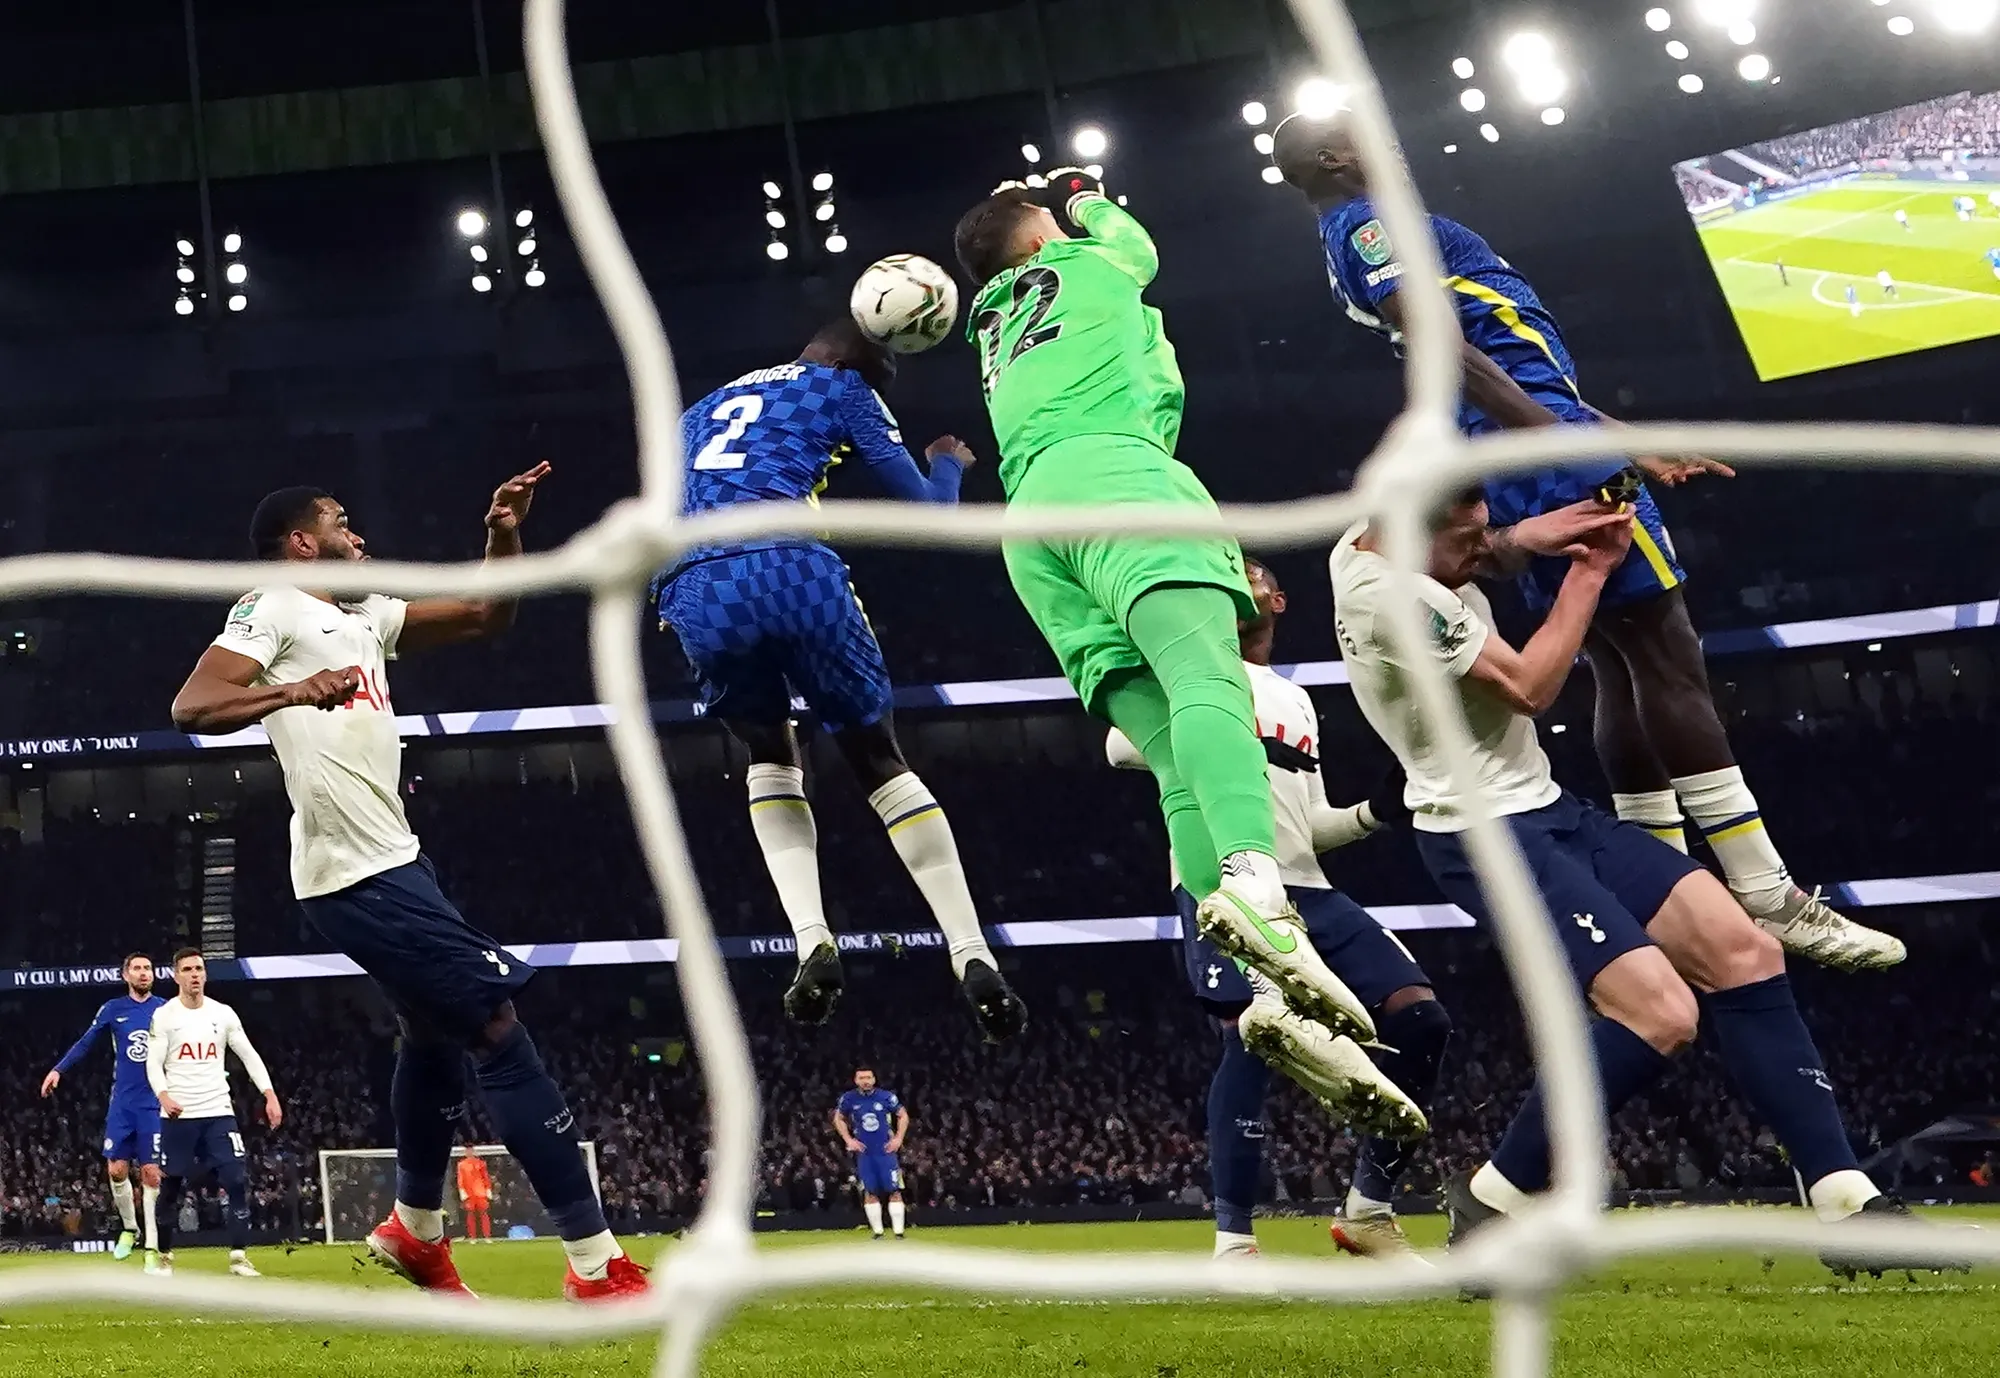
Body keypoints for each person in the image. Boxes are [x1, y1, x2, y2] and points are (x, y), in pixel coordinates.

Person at [1270, 111, 1902, 972]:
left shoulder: (1368, 229)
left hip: (1526, 440)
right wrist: (1570, 454)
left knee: (1619, 661)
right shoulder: (1372, 226)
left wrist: (1618, 438)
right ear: (1338, 158)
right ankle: (1768, 894)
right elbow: (1451, 353)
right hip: (1529, 446)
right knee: (1666, 655)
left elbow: (1519, 366)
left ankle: (1660, 876)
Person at [1329, 491, 1951, 1269]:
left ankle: (1844, 1205)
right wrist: (1588, 571)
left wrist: (1532, 531)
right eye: (1468, 540)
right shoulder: (1391, 598)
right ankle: (1495, 1197)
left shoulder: (1369, 536)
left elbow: (1484, 542)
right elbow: (1530, 687)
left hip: (1550, 808)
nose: (1482, 551)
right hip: (1481, 833)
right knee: (1661, 1013)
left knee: (1745, 952)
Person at [168, 468, 646, 1300]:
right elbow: (193, 703)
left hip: (394, 858)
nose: (358, 534)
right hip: (355, 872)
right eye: (340, 522)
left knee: (432, 1038)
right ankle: (595, 1264)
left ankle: (415, 1232)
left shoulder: (364, 615)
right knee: (497, 1029)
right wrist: (292, 690)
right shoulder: (275, 604)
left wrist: (501, 532)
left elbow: (485, 613)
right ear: (301, 542)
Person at [951, 168, 1374, 1045]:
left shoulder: (992, 318)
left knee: (1176, 758)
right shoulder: (1081, 266)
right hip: (1118, 478)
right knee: (1210, 680)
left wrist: (1024, 212)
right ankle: (1261, 891)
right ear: (1037, 240)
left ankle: (1250, 988)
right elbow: (1136, 250)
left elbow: (1017, 248)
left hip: (1031, 522)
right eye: (1048, 225)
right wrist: (1077, 193)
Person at [653, 320, 1026, 1042]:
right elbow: (928, 515)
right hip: (791, 564)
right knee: (878, 758)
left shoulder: (697, 410)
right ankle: (971, 952)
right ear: (856, 355)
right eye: (888, 361)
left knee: (768, 752)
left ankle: (810, 937)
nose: (887, 372)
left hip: (696, 585)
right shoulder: (843, 387)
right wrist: (946, 463)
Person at [1105, 558, 1441, 1259]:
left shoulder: (1297, 699)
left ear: (1279, 600)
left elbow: (1311, 821)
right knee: (1253, 1043)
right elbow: (1117, 745)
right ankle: (1235, 1244)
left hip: (1310, 889)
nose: (1235, 580)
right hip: (1225, 888)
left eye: (1250, 571)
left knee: (1421, 1018)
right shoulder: (1189, 679)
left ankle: (1369, 1211)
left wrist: (1377, 813)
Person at [145, 949, 280, 1279]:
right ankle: (164, 1256)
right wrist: (163, 1095)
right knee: (172, 1187)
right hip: (179, 1115)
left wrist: (269, 1093)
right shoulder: (165, 1016)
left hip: (219, 1111)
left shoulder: (223, 1014)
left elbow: (248, 1055)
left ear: (205, 974)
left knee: (235, 1180)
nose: (195, 974)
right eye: (188, 969)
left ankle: (238, 1257)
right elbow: (153, 1062)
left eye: (199, 969)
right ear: (176, 976)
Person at [41, 953, 167, 1264]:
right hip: (123, 1103)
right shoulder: (114, 1009)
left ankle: (152, 1248)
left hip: (153, 1103)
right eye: (137, 968)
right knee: (116, 1170)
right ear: (126, 975)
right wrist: (59, 1069)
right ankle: (130, 1229)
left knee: (151, 1174)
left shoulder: (166, 1009)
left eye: (147, 968)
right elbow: (86, 1041)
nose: (143, 973)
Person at [834, 1069, 907, 1239]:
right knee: (869, 1191)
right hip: (865, 1153)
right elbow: (838, 1118)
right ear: (856, 1080)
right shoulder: (849, 1098)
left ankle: (899, 1232)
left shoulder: (886, 1097)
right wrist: (848, 1140)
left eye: (868, 1077)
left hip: (886, 1151)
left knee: (894, 1190)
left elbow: (903, 1115)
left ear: (874, 1079)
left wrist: (898, 1138)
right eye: (862, 1078)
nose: (865, 1081)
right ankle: (878, 1232)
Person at [456, 1147, 493, 1243]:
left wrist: (488, 1189)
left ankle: (487, 1236)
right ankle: (473, 1237)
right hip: (469, 1193)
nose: (469, 1152)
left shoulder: (481, 1163)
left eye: (471, 1150)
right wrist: (462, 1191)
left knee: (484, 1214)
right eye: (467, 1150)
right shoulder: (461, 1164)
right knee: (470, 1215)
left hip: (480, 1192)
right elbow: (460, 1179)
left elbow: (485, 1177)